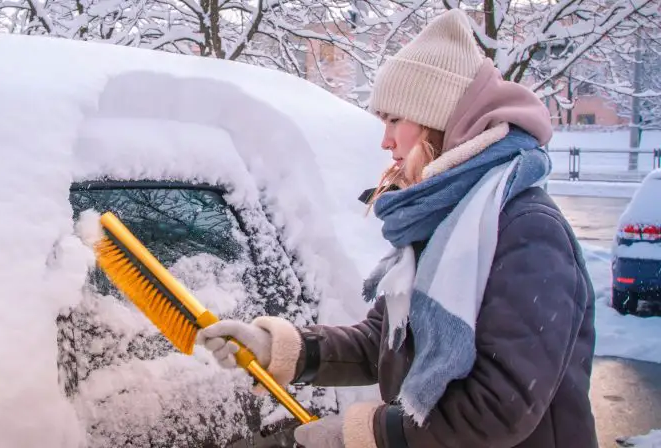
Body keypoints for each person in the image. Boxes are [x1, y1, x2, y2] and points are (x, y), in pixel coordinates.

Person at [196, 8, 597, 448]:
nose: (385, 140)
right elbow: (382, 344)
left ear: (439, 121)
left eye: (394, 120)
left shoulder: (525, 230)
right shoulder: (442, 223)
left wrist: (367, 435)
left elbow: (499, 405)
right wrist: (282, 349)